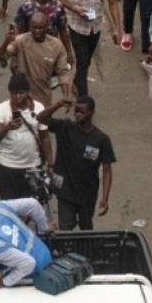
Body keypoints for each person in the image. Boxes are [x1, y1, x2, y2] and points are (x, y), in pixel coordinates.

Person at [41, 97, 114, 230]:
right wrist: (58, 104)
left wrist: (105, 198)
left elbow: (107, 169)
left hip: (87, 194)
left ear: (91, 113)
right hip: (65, 191)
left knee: (86, 227)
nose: (77, 114)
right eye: (76, 111)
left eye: (82, 111)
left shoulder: (101, 139)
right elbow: (41, 118)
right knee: (66, 228)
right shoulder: (65, 127)